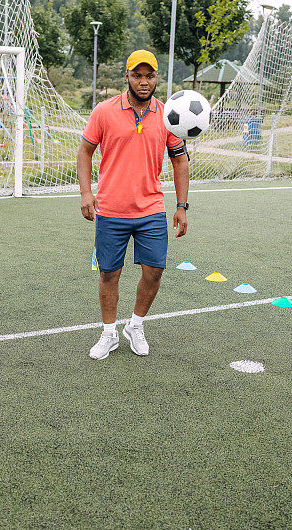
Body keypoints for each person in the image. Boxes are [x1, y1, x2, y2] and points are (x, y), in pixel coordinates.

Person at [77, 50, 190, 360]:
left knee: (154, 272)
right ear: (126, 76)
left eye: (149, 76)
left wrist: (182, 205)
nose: (143, 81)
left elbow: (180, 160)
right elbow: (85, 151)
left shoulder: (169, 116)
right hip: (111, 209)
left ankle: (136, 326)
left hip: (151, 209)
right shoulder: (104, 111)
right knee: (109, 275)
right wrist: (87, 193)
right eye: (137, 75)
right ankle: (109, 333)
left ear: (156, 79)